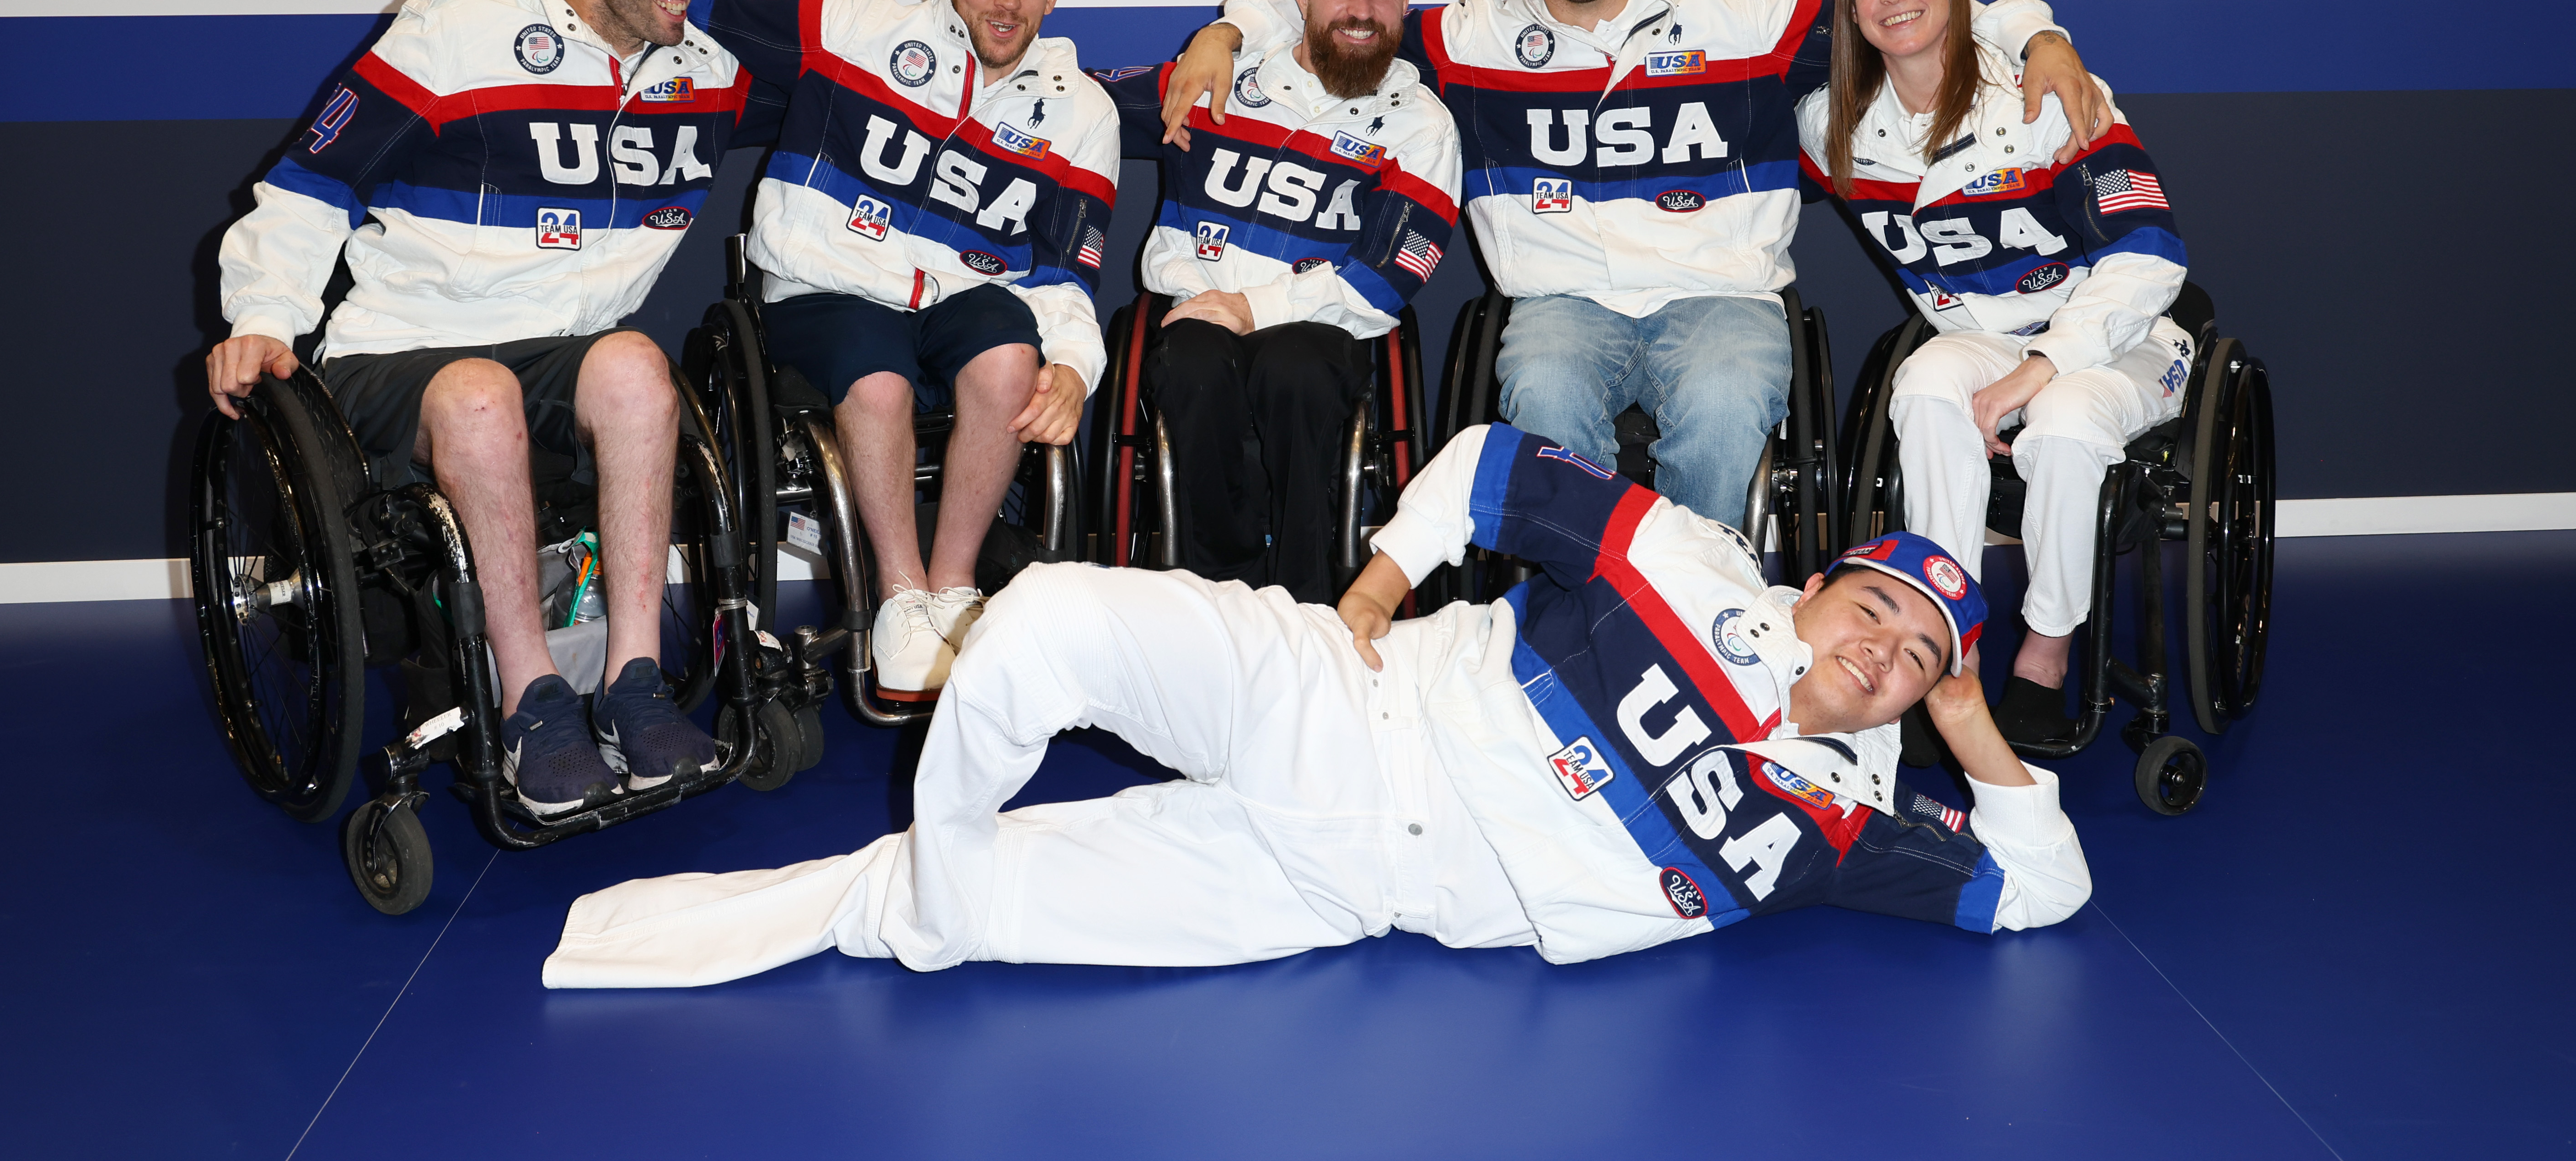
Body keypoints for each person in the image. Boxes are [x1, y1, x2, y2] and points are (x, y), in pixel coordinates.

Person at [539, 423, 2089, 985]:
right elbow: (1491, 466)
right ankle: (944, 872)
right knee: (1046, 616)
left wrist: (1964, 718)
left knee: (972, 918)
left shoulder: (1851, 816)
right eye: (1879, 604)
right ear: (1822, 581)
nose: (1887, 648)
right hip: (1343, 699)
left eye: (1921, 652)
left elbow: (2047, 885)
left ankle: (913, 901)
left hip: (1358, 885)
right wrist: (1370, 593)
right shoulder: (1687, 559)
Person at [1158, 0, 2110, 529]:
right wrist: (1227, 30)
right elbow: (1339, 13)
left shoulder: (1741, 12)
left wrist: (2036, 31)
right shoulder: (1471, 35)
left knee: (1730, 396)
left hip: (1721, 294)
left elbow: (1902, 11)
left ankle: (1695, 607)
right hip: (1564, 298)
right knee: (1540, 382)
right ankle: (1589, 600)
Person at [209, 0, 756, 817]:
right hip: (400, 349)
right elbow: (310, 181)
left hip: (558, 349)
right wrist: (263, 314)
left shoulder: (707, 76)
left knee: (636, 367)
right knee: (476, 394)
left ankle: (634, 679)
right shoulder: (459, 29)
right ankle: (531, 702)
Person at [688, 0, 1118, 698]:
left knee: (1009, 359)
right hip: (825, 285)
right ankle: (897, 597)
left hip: (961, 294)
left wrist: (1071, 365)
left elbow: (1065, 270)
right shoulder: (860, 24)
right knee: (878, 380)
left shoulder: (1083, 109)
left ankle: (952, 595)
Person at [1799, 0, 2190, 744]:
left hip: (2117, 335)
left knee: (2063, 419)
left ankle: (2045, 653)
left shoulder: (2046, 92)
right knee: (1927, 379)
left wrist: (2043, 365)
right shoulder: (1835, 124)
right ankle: (1947, 637)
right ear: (1851, 8)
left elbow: (2151, 254)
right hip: (1984, 335)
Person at [1092, 0, 1463, 600]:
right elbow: (1073, 101)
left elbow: (1387, 279)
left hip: (1321, 328)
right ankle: (1220, 593)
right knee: (1193, 367)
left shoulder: (1422, 126)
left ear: (1406, 3)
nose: (1361, 9)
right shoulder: (1211, 80)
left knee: (1296, 367)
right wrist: (1221, 35)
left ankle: (1303, 601)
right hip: (1195, 313)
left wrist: (1253, 307)